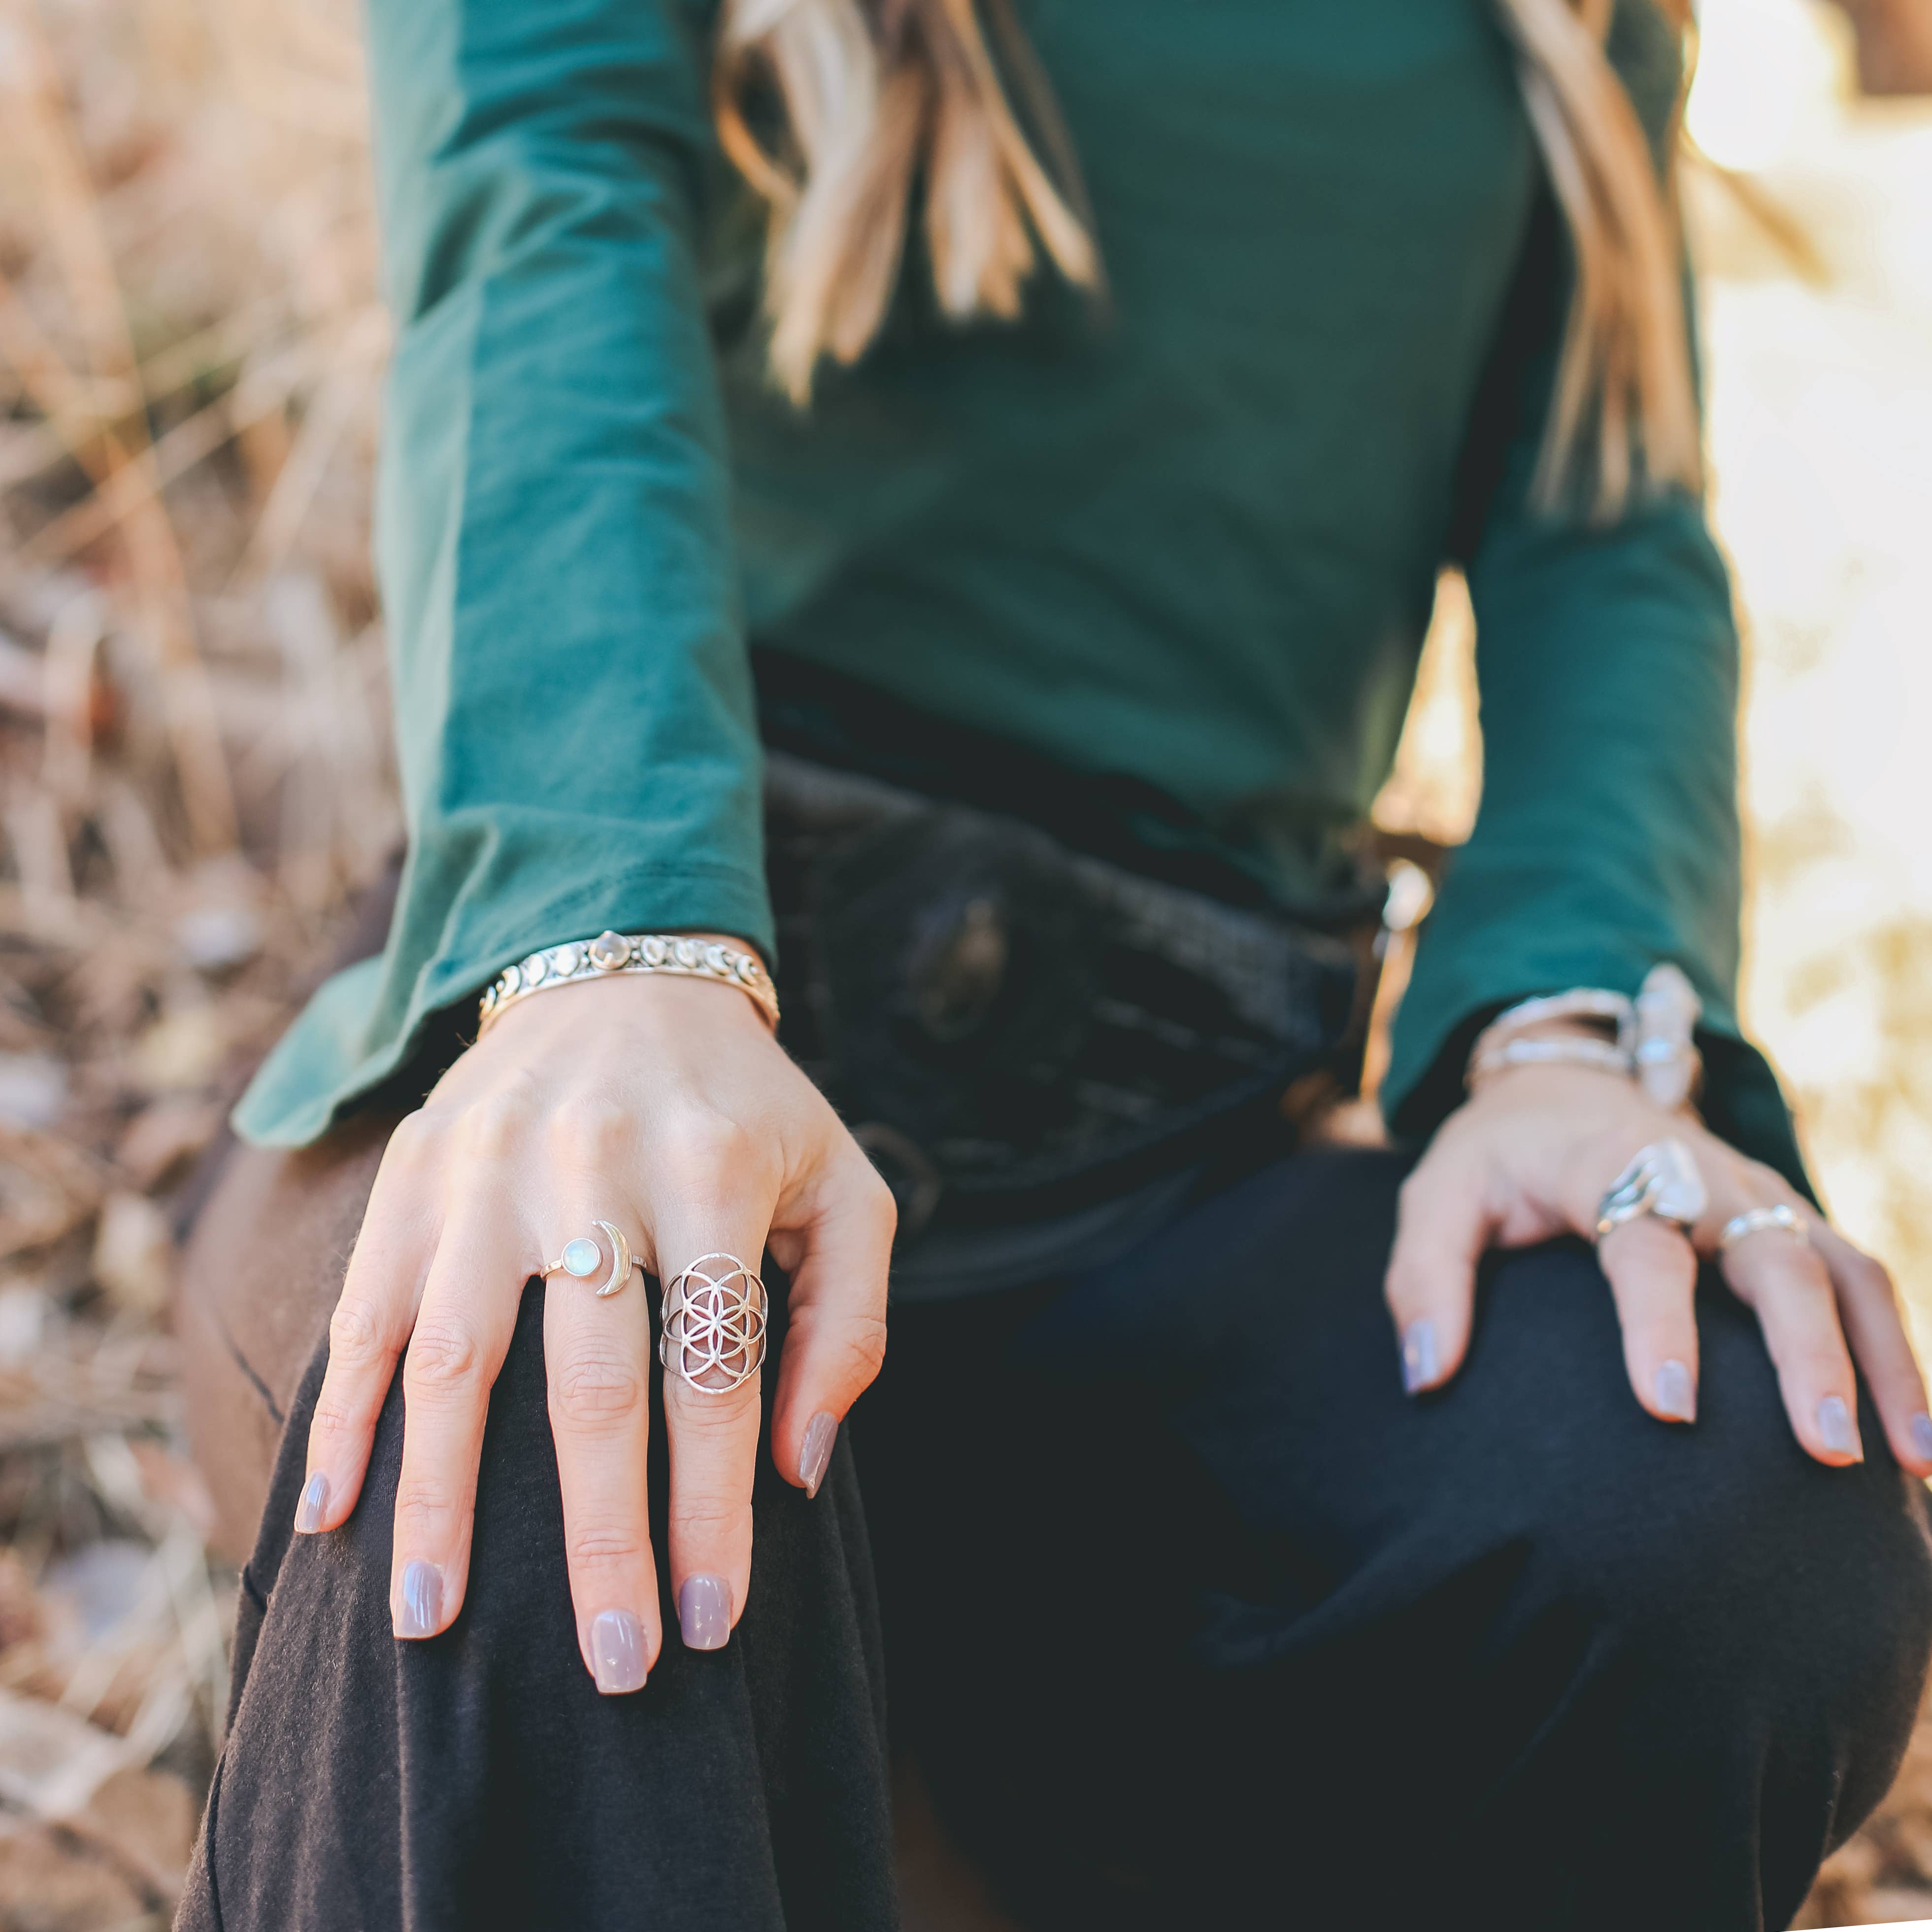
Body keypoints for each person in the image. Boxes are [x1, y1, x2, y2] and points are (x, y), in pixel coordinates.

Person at [175, 2, 1932, 1927]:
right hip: (639, 967)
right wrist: (612, 941)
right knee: (553, 1405)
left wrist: (1573, 1023)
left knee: (1710, 1524)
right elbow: (539, 221)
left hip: (1181, 1158)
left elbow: (1608, 518)